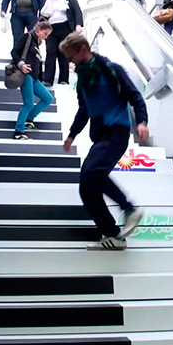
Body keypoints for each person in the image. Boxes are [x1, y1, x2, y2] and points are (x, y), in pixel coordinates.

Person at [59, 33, 149, 250]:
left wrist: (142, 122)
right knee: (86, 187)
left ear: (82, 49)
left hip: (117, 132)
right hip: (100, 136)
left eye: (71, 57)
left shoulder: (111, 69)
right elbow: (84, 110)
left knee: (92, 172)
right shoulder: (82, 79)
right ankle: (113, 235)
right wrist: (72, 134)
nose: (70, 62)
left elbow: (135, 96)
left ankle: (129, 209)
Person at [11, 21, 54, 140]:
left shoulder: (36, 43)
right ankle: (18, 131)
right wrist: (21, 65)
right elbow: (14, 52)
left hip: (34, 77)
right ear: (38, 30)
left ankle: (28, 120)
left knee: (47, 98)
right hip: (26, 76)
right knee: (28, 103)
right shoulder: (27, 37)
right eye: (45, 34)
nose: (46, 37)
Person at [40, 0, 83, 87]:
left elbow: (77, 11)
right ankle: (48, 79)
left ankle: (64, 79)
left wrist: (78, 25)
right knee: (50, 53)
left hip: (65, 28)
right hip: (51, 30)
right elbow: (42, 16)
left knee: (63, 53)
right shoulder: (47, 1)